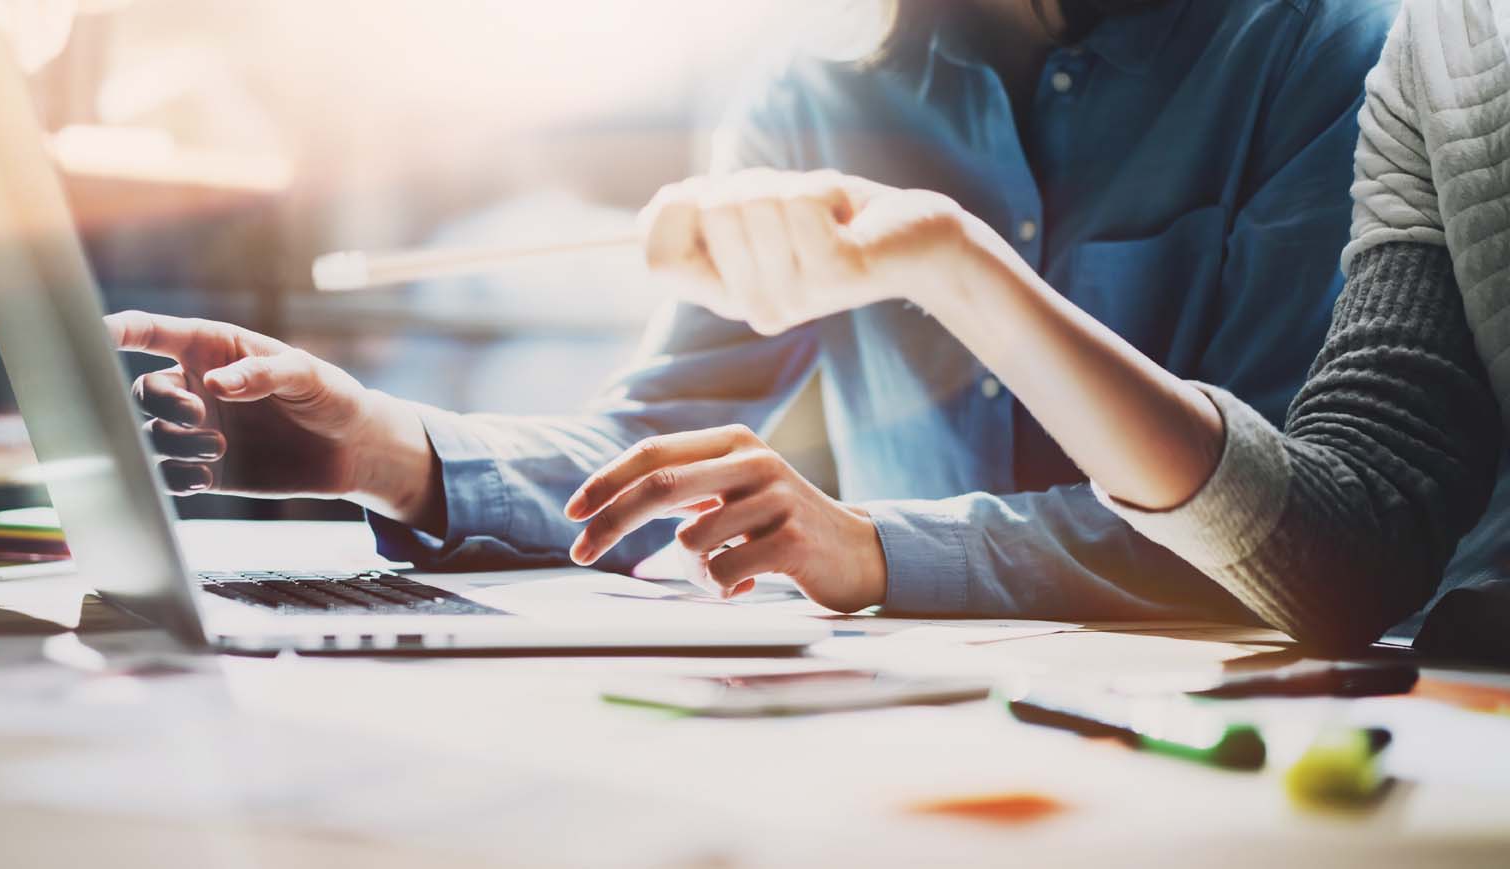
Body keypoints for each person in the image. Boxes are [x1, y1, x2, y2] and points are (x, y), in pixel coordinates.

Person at [110, 0, 1396, 622]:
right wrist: (383, 452)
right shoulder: (808, 86)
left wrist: (873, 548)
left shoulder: (1330, 51)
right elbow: (661, 437)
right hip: (932, 705)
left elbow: (1284, 520)